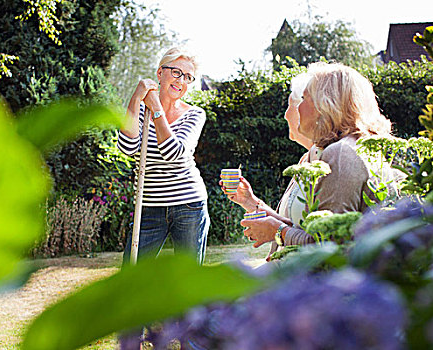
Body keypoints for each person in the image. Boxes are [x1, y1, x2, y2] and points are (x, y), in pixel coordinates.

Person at [222, 62, 396, 251]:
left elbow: (329, 246)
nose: (298, 108)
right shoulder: (352, 147)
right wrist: (254, 205)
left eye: (304, 98)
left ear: (325, 105)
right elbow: (312, 230)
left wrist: (278, 232)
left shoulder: (340, 153)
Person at [118, 47, 210, 265]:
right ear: (160, 73)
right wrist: (136, 98)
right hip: (148, 206)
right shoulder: (141, 111)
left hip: (189, 205)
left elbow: (174, 153)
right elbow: (127, 147)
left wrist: (157, 108)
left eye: (188, 77)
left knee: (187, 279)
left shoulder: (195, 114)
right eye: (176, 72)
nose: (181, 81)